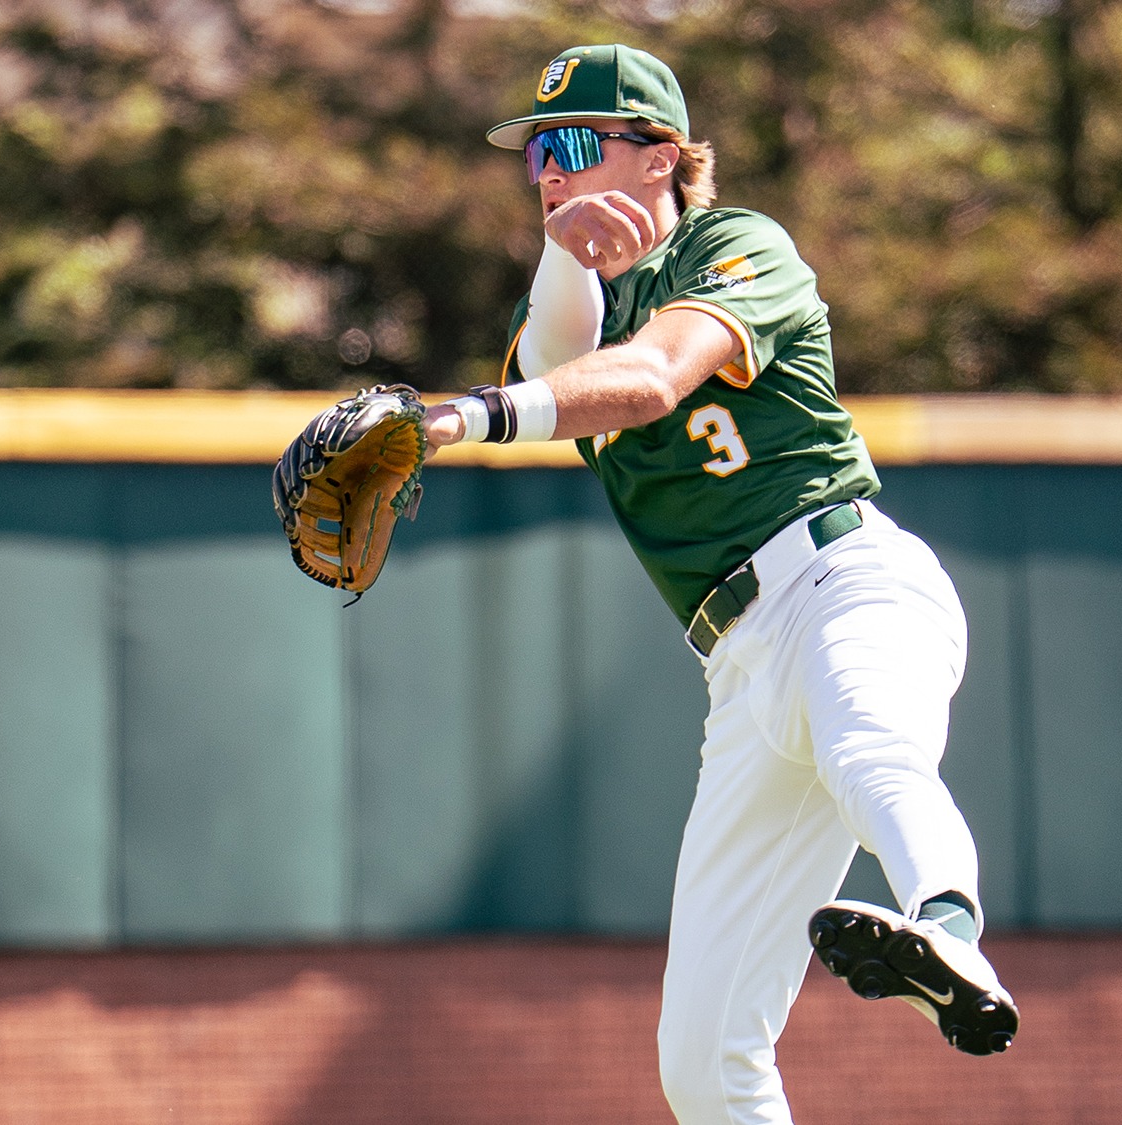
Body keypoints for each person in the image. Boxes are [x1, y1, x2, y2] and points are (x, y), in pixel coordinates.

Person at [422, 43, 1018, 1125]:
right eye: (534, 158)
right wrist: (553, 273)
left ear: (659, 156)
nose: (548, 174)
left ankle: (949, 930)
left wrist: (457, 418)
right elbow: (560, 357)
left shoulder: (740, 243)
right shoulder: (568, 311)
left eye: (571, 145)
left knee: (868, 749)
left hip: (844, 579)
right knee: (699, 1060)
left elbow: (647, 380)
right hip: (739, 670)